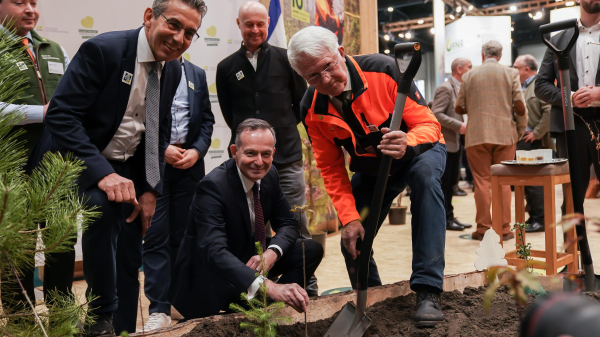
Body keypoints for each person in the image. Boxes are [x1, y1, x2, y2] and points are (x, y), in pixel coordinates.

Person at [38, 0, 206, 335]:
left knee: (131, 244)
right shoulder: (103, 50)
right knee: (93, 217)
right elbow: (62, 116)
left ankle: (121, 328)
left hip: (125, 164)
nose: (179, 37)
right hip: (71, 160)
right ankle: (90, 319)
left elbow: (155, 130)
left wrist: (149, 190)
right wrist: (103, 173)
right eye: (173, 24)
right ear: (149, 17)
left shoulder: (171, 69)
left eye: (190, 32)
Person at [288, 26, 447, 327]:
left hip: (419, 152)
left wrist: (407, 142)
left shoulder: (384, 70)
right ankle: (374, 299)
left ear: (341, 54)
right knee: (353, 238)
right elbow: (331, 168)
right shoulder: (311, 109)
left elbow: (429, 124)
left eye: (328, 67)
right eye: (312, 76)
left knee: (426, 180)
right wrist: (349, 219)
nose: (325, 80)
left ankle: (428, 290)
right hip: (374, 169)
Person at [170, 119, 323, 320]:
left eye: (265, 154)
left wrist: (272, 253)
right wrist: (269, 286)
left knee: (310, 250)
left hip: (249, 260)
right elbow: (214, 252)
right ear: (235, 151)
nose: (259, 161)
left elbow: (288, 222)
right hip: (214, 276)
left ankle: (266, 308)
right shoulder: (212, 187)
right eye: (250, 153)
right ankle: (261, 301)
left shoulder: (269, 175)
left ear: (273, 154)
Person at [216, 2, 318, 295]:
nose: (255, 30)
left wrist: (278, 133)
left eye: (260, 24)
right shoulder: (226, 68)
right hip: (245, 165)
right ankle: (255, 287)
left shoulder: (287, 60)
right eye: (249, 24)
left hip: (285, 156)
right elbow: (229, 113)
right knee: (248, 225)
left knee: (295, 220)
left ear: (268, 22)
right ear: (239, 24)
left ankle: (306, 281)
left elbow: (301, 104)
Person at [0, 0, 72, 310]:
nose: (30, 9)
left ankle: (62, 315)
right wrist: (42, 113)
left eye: (34, 2)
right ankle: (20, 320)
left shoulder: (54, 48)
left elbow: (72, 98)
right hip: (13, 166)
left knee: (62, 243)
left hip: (57, 164)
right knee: (20, 248)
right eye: (19, 2)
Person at [139, 55, 214, 332]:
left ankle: (185, 303)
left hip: (189, 169)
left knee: (186, 239)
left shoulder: (196, 73)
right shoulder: (146, 70)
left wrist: (197, 150)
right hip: (154, 167)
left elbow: (207, 120)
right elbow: (138, 117)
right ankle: (159, 308)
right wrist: (162, 149)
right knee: (156, 238)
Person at [455, 40, 527, 241]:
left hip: (477, 135)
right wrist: (519, 131)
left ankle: (484, 229)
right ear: (501, 56)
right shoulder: (511, 73)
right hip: (505, 135)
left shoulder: (468, 76)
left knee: (481, 182)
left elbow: (458, 108)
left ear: (482, 54)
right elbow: (520, 106)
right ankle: (504, 228)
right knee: (503, 182)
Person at [536, 0, 600, 214]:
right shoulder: (558, 38)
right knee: (572, 197)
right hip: (571, 125)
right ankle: (574, 248)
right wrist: (569, 97)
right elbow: (541, 86)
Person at [432, 57, 473, 231]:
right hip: (446, 144)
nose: (472, 69)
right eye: (469, 67)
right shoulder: (445, 88)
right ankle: (445, 219)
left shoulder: (460, 88)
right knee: (445, 184)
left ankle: (449, 216)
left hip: (456, 143)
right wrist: (459, 125)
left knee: (451, 184)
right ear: (459, 69)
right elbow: (436, 113)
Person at [513, 54, 553, 233]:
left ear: (526, 69)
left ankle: (541, 219)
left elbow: (549, 111)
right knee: (527, 183)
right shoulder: (523, 87)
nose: (514, 70)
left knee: (535, 183)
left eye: (516, 67)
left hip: (535, 142)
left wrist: (536, 134)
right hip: (523, 140)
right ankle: (533, 217)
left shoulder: (539, 85)